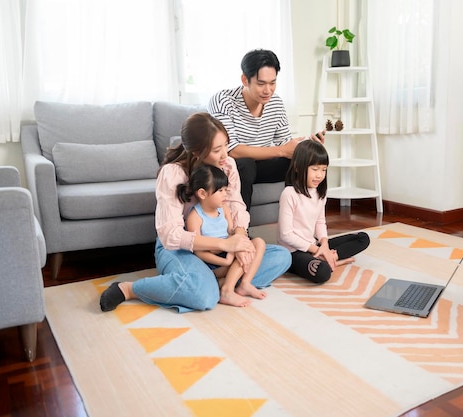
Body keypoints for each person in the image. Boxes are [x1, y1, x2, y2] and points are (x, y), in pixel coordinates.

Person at [99, 112, 291, 313]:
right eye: (217, 150)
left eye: (226, 144)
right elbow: (171, 235)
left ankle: (219, 282)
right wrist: (224, 244)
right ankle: (131, 289)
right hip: (181, 248)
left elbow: (236, 205)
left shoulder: (228, 165)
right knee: (204, 297)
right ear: (197, 152)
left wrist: (240, 240)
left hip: (223, 246)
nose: (225, 154)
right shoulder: (173, 173)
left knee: (281, 256)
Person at [208, 48, 325, 209]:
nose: (268, 90)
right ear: (245, 80)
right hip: (231, 166)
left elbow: (286, 143)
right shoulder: (223, 101)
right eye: (261, 84)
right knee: (245, 164)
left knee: (307, 160)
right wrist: (282, 150)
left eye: (272, 83)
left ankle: (301, 225)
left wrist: (306, 146)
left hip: (262, 165)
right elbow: (231, 151)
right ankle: (240, 229)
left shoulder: (275, 103)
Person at [277, 140, 370, 284]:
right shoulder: (289, 194)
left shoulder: (320, 192)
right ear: (297, 167)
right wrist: (316, 250)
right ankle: (327, 260)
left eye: (324, 170)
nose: (320, 175)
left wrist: (325, 246)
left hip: (314, 246)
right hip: (293, 252)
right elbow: (286, 235)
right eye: (315, 169)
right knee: (322, 273)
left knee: (363, 238)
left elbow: (320, 222)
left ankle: (326, 257)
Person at [182, 164, 266, 307]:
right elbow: (198, 252)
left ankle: (244, 283)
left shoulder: (224, 209)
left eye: (225, 190)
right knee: (242, 260)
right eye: (220, 191)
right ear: (202, 193)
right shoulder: (195, 217)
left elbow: (231, 232)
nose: (225, 195)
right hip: (213, 262)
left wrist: (239, 243)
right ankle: (227, 290)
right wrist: (226, 261)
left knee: (259, 243)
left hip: (229, 252)